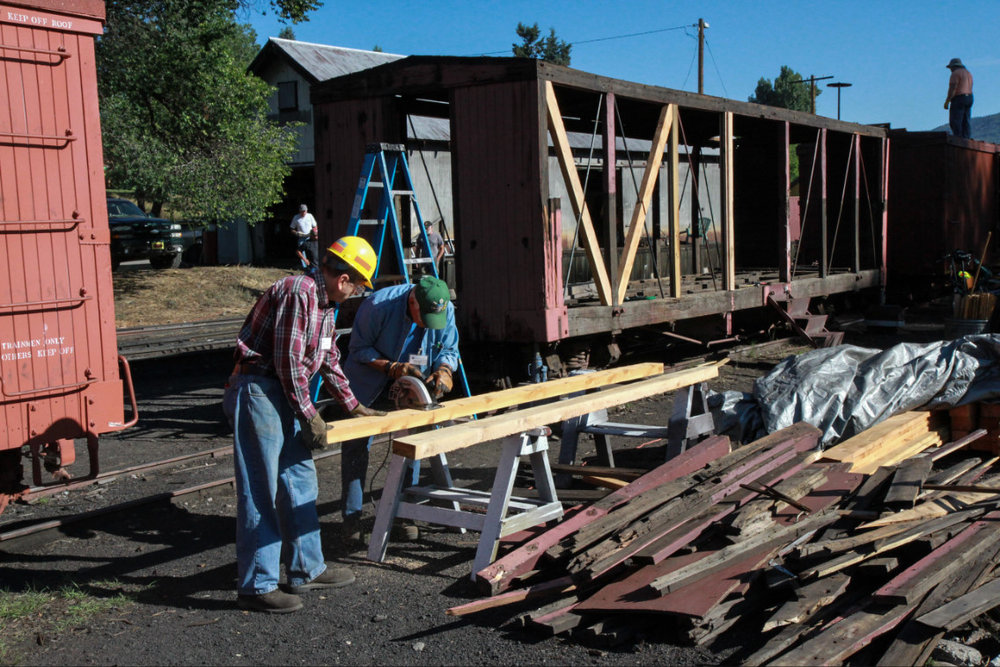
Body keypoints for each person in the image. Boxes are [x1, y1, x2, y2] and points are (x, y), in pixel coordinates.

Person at [222, 236, 385, 614]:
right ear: (344, 279)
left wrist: (354, 406)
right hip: (260, 388)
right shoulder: (299, 292)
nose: (359, 293)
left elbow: (327, 360)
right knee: (260, 487)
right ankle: (257, 584)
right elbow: (288, 362)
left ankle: (306, 568)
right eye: (359, 286)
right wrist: (309, 414)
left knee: (299, 480)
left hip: (284, 390)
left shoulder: (325, 305)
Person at [340, 276, 460, 542]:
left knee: (412, 444)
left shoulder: (444, 307)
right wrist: (391, 367)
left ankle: (404, 514)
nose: (428, 324)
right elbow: (358, 349)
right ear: (413, 301)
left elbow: (449, 347)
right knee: (356, 447)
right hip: (369, 383)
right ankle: (352, 519)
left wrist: (444, 369)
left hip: (411, 384)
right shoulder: (377, 306)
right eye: (423, 317)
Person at [945, 58, 974, 140]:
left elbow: (953, 88)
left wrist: (947, 100)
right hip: (970, 97)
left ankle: (958, 138)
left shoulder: (955, 74)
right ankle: (966, 138)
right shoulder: (968, 73)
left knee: (955, 119)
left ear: (954, 67)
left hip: (959, 97)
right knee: (966, 120)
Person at [290, 204, 319, 268]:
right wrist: (296, 233)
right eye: (302, 211)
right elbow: (292, 229)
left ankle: (313, 265)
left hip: (310, 236)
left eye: (304, 211)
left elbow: (315, 226)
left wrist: (314, 233)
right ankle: (305, 266)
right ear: (299, 211)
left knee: (313, 251)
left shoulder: (310, 216)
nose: (303, 213)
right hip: (301, 237)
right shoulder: (296, 217)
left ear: (306, 210)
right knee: (301, 252)